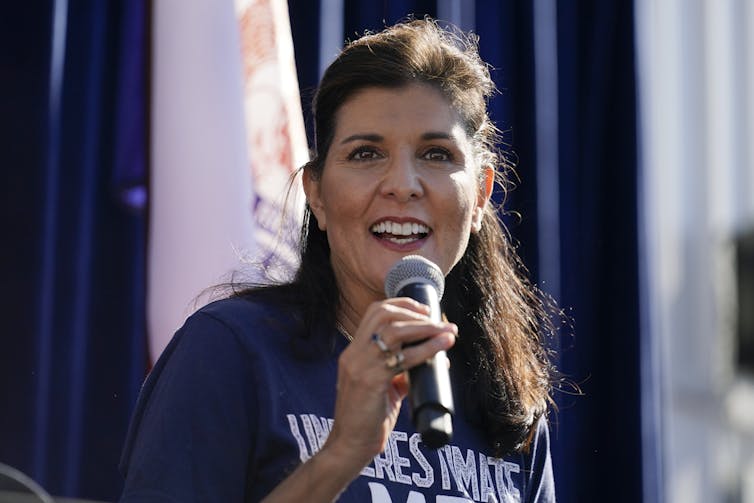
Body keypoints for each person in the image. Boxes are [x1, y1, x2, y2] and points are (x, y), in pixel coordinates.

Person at [119, 18, 557, 502]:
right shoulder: (232, 351)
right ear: (317, 196)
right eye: (367, 153)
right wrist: (343, 453)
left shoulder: (506, 404)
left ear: (479, 196)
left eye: (436, 154)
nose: (403, 184)